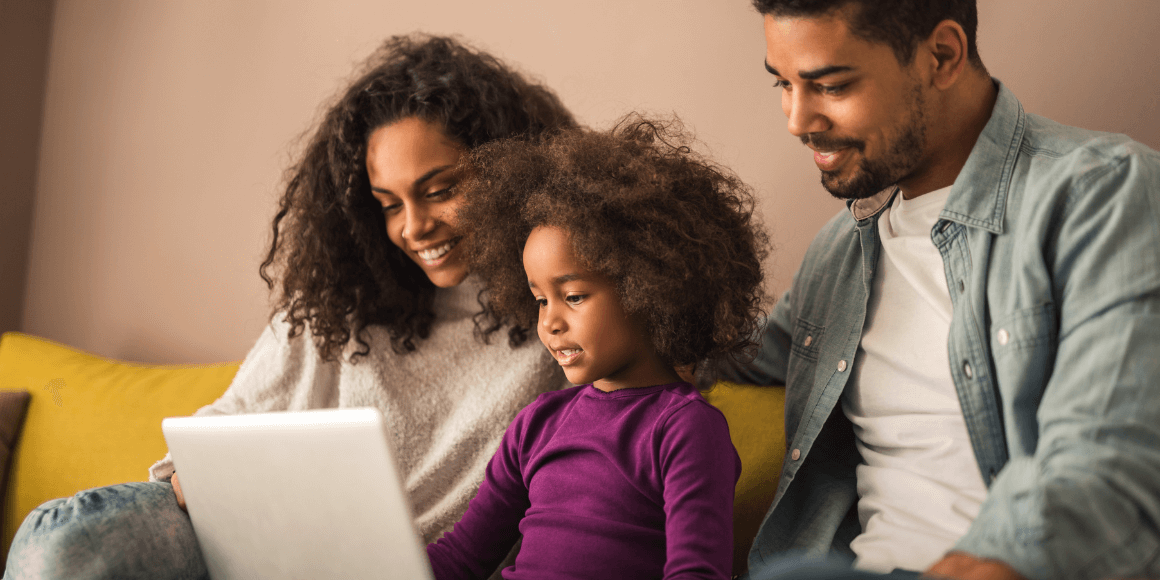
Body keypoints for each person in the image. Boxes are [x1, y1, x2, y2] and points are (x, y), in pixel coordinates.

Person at [5, 34, 576, 580]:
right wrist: (197, 474)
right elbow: (228, 421)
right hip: (247, 539)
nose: (413, 227)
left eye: (439, 189)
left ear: (508, 172)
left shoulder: (557, 311)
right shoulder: (341, 300)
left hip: (413, 566)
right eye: (388, 204)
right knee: (63, 537)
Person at [707, 1, 1160, 580]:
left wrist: (1003, 560)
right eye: (784, 83)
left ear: (941, 56)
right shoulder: (839, 251)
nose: (798, 120)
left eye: (832, 85)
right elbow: (723, 355)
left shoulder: (1102, 195)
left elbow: (1107, 458)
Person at [425, 117, 769, 579]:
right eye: (540, 299)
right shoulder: (537, 425)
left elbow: (696, 574)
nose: (549, 321)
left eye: (573, 297)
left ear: (648, 286)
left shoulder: (685, 428)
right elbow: (461, 559)